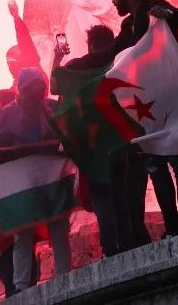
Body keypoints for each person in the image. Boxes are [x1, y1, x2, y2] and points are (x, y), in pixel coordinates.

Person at [69, 0, 178, 240]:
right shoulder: (129, 26)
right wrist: (75, 65)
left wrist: (168, 13)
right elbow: (109, 52)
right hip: (149, 100)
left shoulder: (155, 8)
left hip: (173, 93)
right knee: (156, 163)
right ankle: (173, 227)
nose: (113, 1)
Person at [0, 68, 71, 292]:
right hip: (23, 184)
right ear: (21, 92)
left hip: (51, 179)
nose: (36, 94)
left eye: (39, 89)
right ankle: (21, 287)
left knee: (58, 228)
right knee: (22, 234)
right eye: (31, 90)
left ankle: (64, 279)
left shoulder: (51, 107)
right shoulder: (9, 114)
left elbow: (67, 133)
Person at [50, 24, 132, 257]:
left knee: (102, 195)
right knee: (119, 195)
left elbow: (55, 86)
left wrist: (56, 58)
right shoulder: (120, 62)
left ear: (90, 44)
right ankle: (126, 245)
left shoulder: (77, 66)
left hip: (93, 144)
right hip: (118, 139)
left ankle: (111, 249)